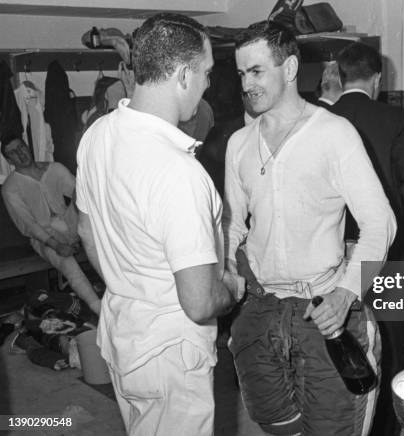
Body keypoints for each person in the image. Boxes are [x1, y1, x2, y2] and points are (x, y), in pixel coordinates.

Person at [223, 21, 396, 435]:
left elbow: (380, 223)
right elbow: (230, 224)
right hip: (261, 312)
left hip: (324, 311)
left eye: (257, 71)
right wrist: (228, 269)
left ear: (289, 68)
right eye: (241, 73)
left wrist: (347, 291)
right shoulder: (239, 144)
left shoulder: (334, 133)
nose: (247, 83)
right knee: (278, 427)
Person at [75, 13, 242, 435]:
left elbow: (86, 232)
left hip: (123, 335)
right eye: (205, 73)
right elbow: (200, 302)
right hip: (169, 355)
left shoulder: (98, 135)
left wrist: (131, 281)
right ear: (184, 74)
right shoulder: (178, 173)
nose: (207, 83)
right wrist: (233, 288)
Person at [330, 41, 404, 436]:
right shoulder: (397, 121)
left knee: (339, 342)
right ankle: (386, 428)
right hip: (388, 254)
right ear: (377, 79)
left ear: (340, 77)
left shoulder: (319, 119)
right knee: (389, 343)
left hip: (333, 255)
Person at [1, 137, 101, 315]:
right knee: (67, 261)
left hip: (70, 222)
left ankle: (120, 289)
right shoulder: (10, 187)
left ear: (27, 146)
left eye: (21, 147)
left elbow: (81, 193)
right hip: (44, 237)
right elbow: (29, 225)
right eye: (12, 153)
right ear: (9, 161)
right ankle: (98, 308)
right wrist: (57, 245)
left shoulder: (54, 168)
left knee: (83, 188)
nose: (20, 154)